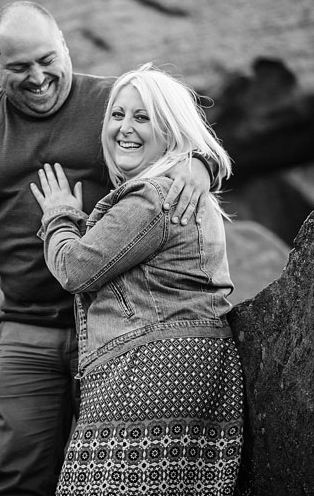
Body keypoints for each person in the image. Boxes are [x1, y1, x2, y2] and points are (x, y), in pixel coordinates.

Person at [0, 2, 218, 495]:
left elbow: (187, 136)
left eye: (46, 59)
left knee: (116, 480)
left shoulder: (113, 103)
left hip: (121, 328)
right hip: (25, 330)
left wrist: (200, 164)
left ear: (65, 46)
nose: (37, 77)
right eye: (18, 67)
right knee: (16, 476)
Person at [31, 64, 242, 495]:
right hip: (181, 366)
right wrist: (205, 161)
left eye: (143, 117)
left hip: (151, 368)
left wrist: (58, 216)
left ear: (170, 130)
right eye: (118, 115)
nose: (125, 128)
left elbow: (75, 269)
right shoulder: (178, 185)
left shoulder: (155, 195)